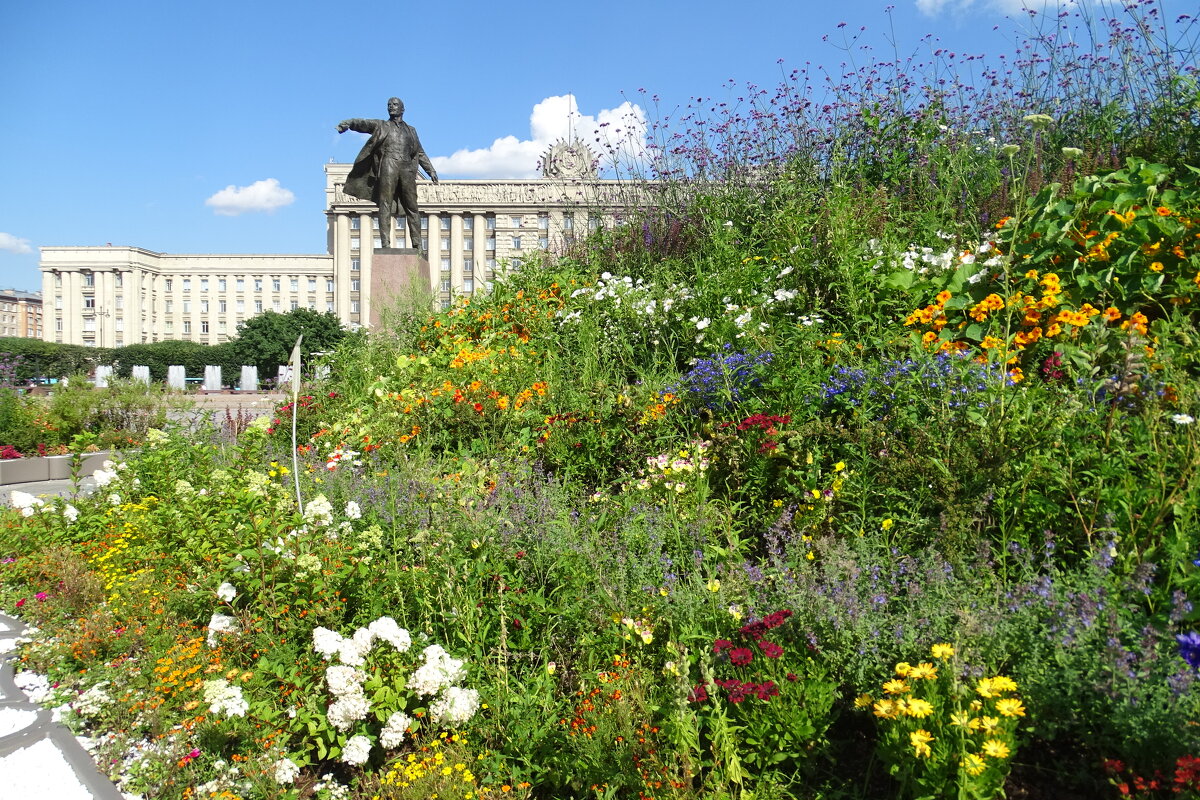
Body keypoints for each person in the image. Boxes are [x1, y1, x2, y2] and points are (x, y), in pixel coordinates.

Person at [337, 98, 438, 251]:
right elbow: (364, 124)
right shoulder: (382, 126)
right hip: (388, 165)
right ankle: (385, 244)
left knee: (412, 205)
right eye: (389, 105)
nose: (391, 106)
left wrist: (430, 170)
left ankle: (417, 245)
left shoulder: (411, 130)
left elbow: (420, 152)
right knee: (385, 203)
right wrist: (349, 123)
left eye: (395, 104)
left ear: (402, 109)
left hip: (407, 168)